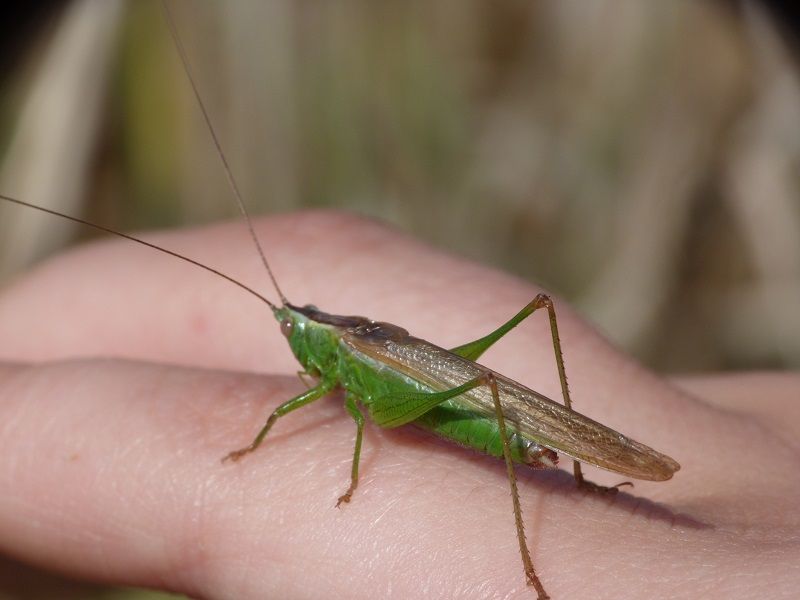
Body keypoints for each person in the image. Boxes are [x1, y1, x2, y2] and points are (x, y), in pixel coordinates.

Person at [0, 212, 797, 599]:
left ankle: (546, 529)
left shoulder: (343, 356)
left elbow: (351, 416)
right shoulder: (331, 347)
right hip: (414, 383)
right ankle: (581, 470)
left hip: (456, 398)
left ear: (313, 334)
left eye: (292, 328)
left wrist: (326, 469)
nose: (290, 341)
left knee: (496, 364)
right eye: (290, 329)